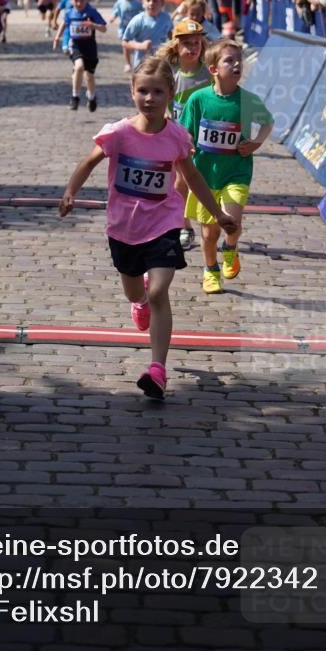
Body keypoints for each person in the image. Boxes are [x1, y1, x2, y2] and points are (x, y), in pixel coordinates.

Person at [59, 56, 236, 399]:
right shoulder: (119, 133)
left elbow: (193, 178)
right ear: (132, 92)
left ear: (171, 93)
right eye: (143, 91)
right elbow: (88, 161)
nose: (150, 99)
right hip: (124, 228)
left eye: (157, 92)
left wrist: (215, 213)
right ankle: (138, 302)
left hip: (164, 223)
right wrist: (70, 192)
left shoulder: (176, 137)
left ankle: (157, 370)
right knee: (136, 292)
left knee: (159, 291)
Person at [180, 39, 274, 294]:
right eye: (229, 60)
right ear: (213, 69)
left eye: (238, 61)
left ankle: (230, 247)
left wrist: (255, 142)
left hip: (236, 172)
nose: (236, 65)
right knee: (209, 234)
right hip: (204, 177)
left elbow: (267, 122)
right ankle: (211, 270)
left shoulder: (247, 100)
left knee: (232, 220)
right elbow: (185, 131)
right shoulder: (199, 99)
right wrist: (187, 146)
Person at [157, 19, 213, 252]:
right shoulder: (171, 71)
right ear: (176, 45)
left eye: (197, 43)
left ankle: (210, 225)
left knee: (204, 184)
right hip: (180, 137)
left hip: (204, 136)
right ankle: (184, 226)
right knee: (180, 183)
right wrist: (166, 116)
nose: (193, 48)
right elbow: (165, 98)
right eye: (187, 43)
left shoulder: (209, 71)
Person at [53, 0, 106, 111]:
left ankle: (92, 97)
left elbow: (104, 28)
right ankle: (75, 96)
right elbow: (64, 24)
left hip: (90, 48)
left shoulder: (92, 11)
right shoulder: (70, 12)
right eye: (76, 0)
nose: (79, 3)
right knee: (79, 67)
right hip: (76, 45)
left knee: (89, 77)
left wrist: (93, 25)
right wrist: (57, 38)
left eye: (82, 0)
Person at [122, 0, 173, 70]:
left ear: (162, 3)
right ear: (143, 3)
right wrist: (141, 46)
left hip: (161, 63)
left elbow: (170, 34)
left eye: (155, 1)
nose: (151, 3)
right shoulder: (138, 20)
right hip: (142, 64)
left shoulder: (166, 18)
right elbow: (125, 42)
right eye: (148, 0)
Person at [108, 0, 142, 72]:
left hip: (135, 29)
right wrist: (113, 18)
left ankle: (137, 62)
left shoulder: (137, 3)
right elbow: (116, 11)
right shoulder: (119, 2)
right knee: (126, 47)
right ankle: (127, 63)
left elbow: (143, 13)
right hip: (124, 29)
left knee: (136, 46)